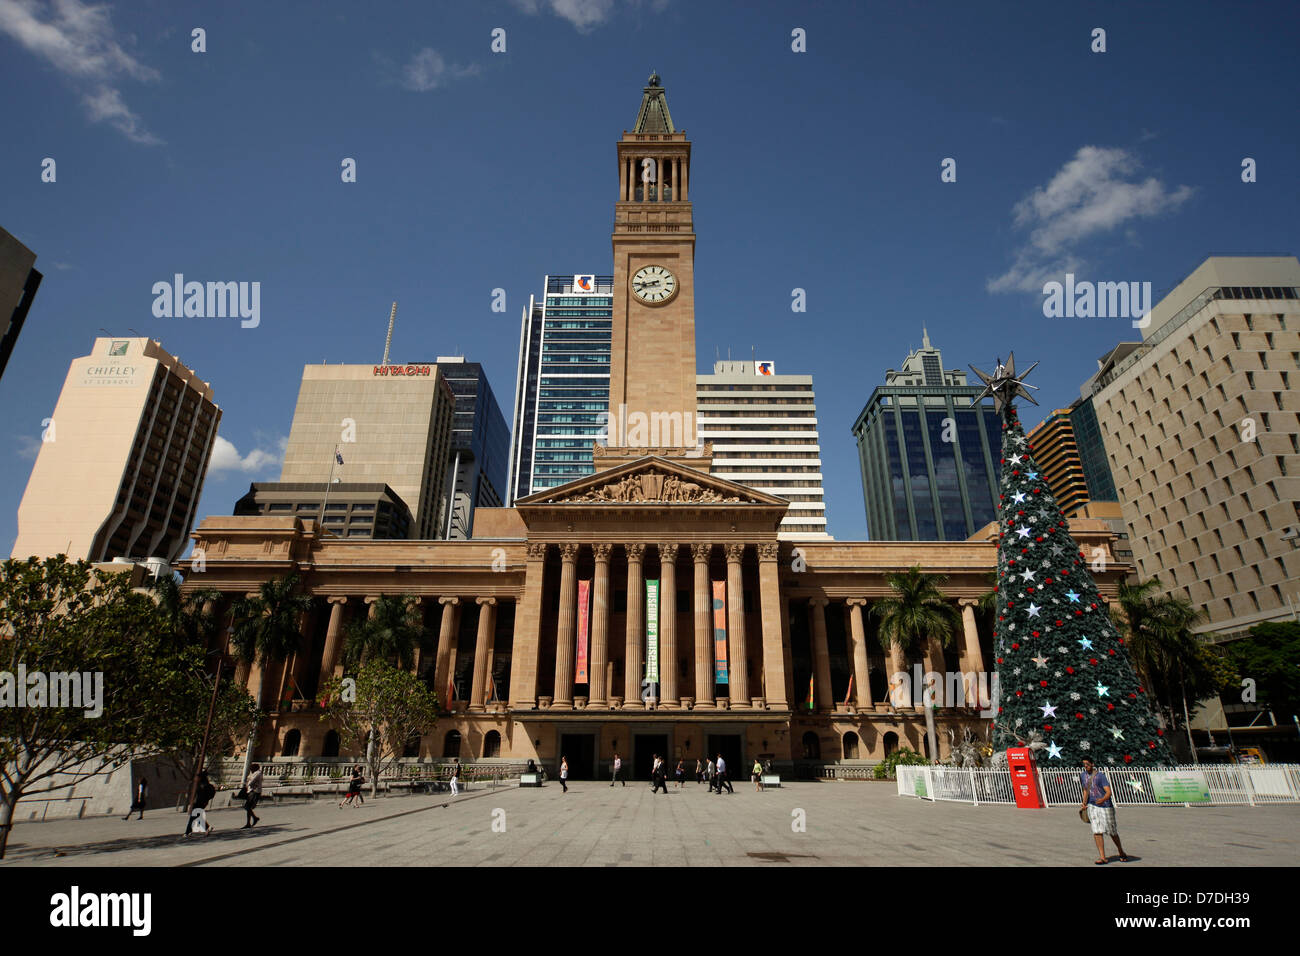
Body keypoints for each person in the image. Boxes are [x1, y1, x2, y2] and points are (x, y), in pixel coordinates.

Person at [1080, 757, 1128, 864]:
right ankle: (1102, 857)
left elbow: (1108, 792)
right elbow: (1085, 789)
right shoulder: (1082, 775)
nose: (1085, 766)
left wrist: (1102, 799)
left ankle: (1121, 851)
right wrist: (1084, 802)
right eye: (1084, 764)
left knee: (1112, 831)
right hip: (1092, 805)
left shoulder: (1100, 776)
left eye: (1087, 764)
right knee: (1097, 830)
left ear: (1092, 764)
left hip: (1106, 806)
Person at [184, 772, 216, 837]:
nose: (196, 778)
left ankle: (187, 832)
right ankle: (207, 828)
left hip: (199, 803)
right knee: (197, 817)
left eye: (197, 777)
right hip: (202, 803)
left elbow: (200, 795)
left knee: (193, 817)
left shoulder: (202, 786)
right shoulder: (203, 785)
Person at [241, 764, 262, 828]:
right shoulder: (257, 773)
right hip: (253, 791)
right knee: (248, 807)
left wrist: (247, 782)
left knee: (247, 806)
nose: (250, 770)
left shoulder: (257, 774)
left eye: (251, 768)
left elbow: (250, 782)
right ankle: (250, 821)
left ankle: (253, 819)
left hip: (254, 791)